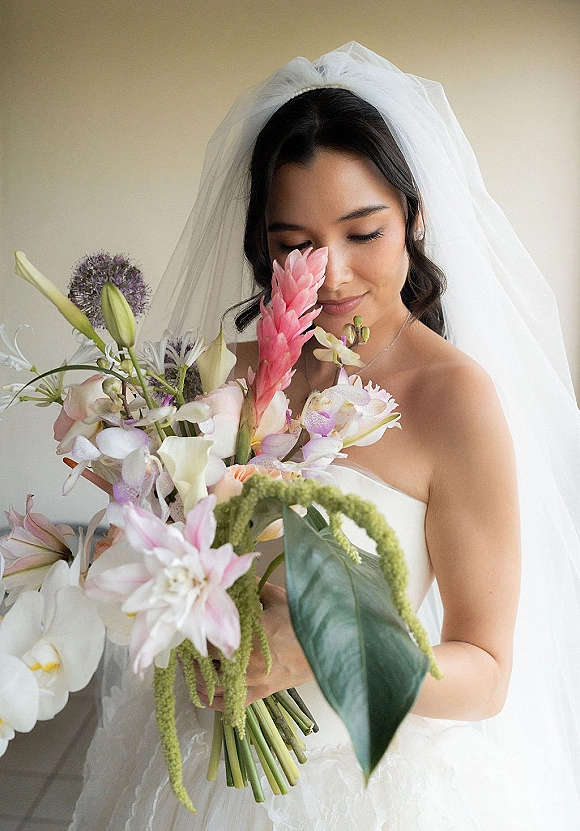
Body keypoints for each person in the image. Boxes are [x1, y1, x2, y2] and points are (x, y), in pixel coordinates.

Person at [71, 43, 580, 830]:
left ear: (414, 217)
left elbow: (486, 670)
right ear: (264, 247)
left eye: (363, 232)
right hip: (209, 769)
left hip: (369, 785)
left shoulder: (455, 401)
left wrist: (324, 652)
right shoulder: (218, 380)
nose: (331, 274)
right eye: (294, 243)